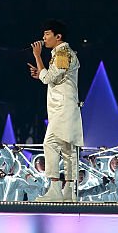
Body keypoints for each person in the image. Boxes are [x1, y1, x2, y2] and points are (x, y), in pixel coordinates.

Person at [29, 20, 83, 202]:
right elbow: (53, 78)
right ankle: (69, 191)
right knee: (68, 148)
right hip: (65, 108)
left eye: (47, 34)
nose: (43, 38)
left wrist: (38, 57)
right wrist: (41, 73)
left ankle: (54, 188)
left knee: (50, 143)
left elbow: (49, 78)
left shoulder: (62, 53)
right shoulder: (61, 54)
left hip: (63, 109)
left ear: (58, 36)